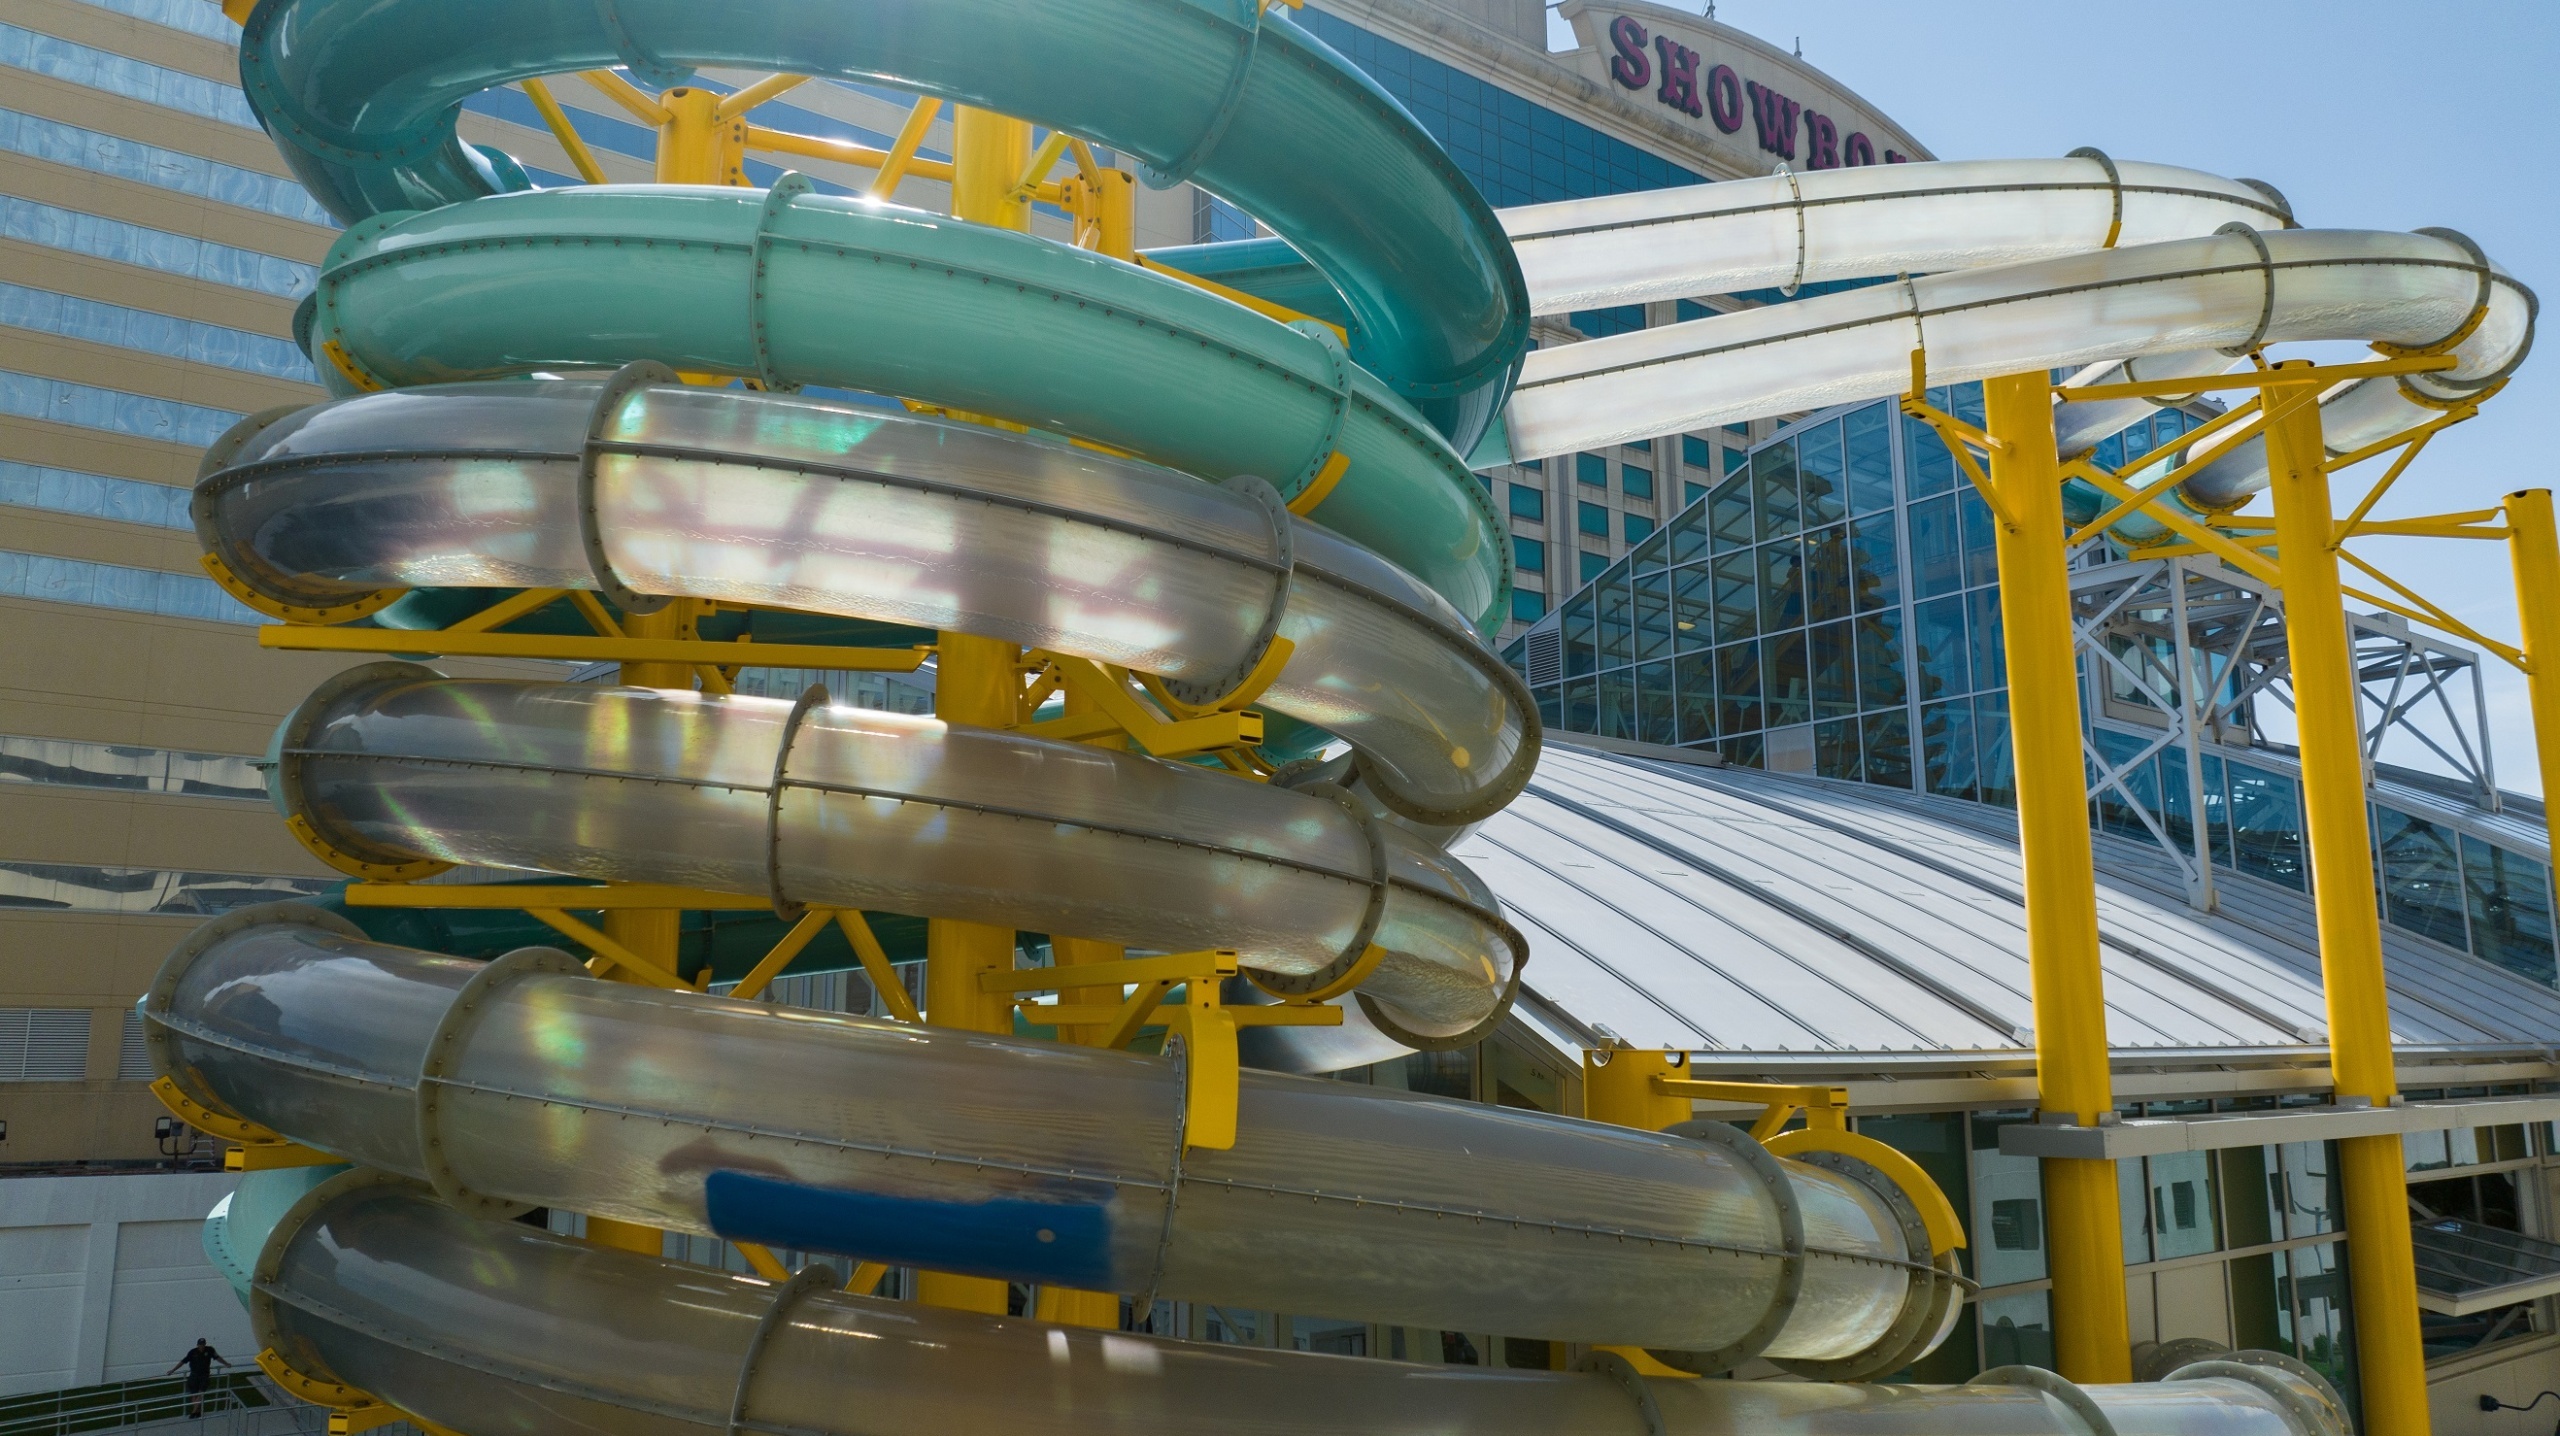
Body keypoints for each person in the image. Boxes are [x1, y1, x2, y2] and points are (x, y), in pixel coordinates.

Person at [167, 1339, 228, 1417]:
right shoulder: (192, 1352)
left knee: (200, 1393)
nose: (201, 1346)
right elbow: (183, 1361)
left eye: (203, 1344)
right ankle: (198, 1412)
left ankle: (193, 1412)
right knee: (194, 1395)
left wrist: (226, 1363)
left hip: (204, 1375)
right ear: (197, 1345)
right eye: (200, 1344)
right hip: (194, 1375)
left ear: (205, 1344)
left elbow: (217, 1357)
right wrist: (173, 1370)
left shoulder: (210, 1350)